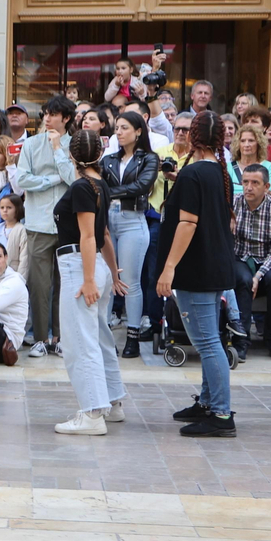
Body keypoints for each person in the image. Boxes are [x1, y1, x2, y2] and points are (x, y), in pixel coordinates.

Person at [156, 111, 238, 437]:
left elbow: (188, 223)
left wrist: (169, 267)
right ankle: (207, 402)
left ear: (192, 137)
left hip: (196, 268)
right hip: (213, 263)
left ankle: (220, 414)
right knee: (210, 340)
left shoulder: (194, 175)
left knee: (207, 343)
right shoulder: (219, 171)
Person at [49, 130, 129, 435]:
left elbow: (88, 235)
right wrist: (112, 272)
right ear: (100, 153)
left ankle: (93, 413)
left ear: (72, 155)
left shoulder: (83, 186)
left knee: (80, 342)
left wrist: (89, 279)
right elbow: (103, 235)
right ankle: (112, 402)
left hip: (79, 266)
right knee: (99, 337)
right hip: (95, 267)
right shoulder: (100, 184)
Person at [10, 95, 77, 358]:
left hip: (67, 224)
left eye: (54, 114)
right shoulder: (32, 144)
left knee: (65, 283)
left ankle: (59, 337)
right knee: (39, 284)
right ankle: (39, 338)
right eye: (46, 113)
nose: (47, 118)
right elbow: (23, 180)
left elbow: (73, 179)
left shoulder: (75, 144)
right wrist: (52, 179)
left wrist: (59, 150)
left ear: (66, 118)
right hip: (37, 222)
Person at [101, 110, 158, 358]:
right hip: (108, 220)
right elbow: (100, 186)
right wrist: (111, 193)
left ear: (138, 131)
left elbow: (142, 187)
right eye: (117, 128)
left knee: (130, 281)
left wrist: (111, 193)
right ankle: (105, 339)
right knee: (106, 280)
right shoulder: (109, 159)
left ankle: (132, 336)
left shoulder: (149, 159)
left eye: (124, 128)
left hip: (132, 219)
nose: (119, 132)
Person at [230, 162, 271, 360]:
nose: (248, 187)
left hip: (268, 261)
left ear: (266, 187)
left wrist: (259, 273)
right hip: (240, 258)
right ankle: (241, 340)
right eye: (245, 182)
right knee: (243, 280)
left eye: (255, 183)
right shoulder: (234, 204)